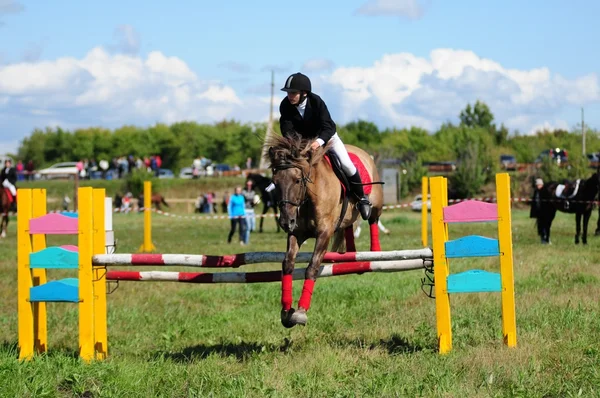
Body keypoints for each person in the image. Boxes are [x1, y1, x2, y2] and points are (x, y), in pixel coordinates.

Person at [279, 72, 372, 220]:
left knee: (346, 164)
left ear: (304, 93)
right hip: (303, 143)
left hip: (327, 138)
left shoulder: (316, 102)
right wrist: (295, 145)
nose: (290, 96)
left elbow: (327, 127)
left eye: (293, 93)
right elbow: (286, 128)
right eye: (289, 93)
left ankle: (362, 199)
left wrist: (318, 142)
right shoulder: (285, 105)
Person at [530, 178, 549, 243]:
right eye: (537, 185)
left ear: (542, 185)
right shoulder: (536, 191)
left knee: (545, 226)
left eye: (539, 185)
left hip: (545, 212)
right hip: (539, 212)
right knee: (540, 226)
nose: (538, 186)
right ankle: (542, 239)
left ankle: (547, 238)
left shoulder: (545, 191)